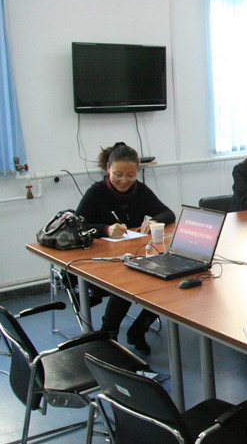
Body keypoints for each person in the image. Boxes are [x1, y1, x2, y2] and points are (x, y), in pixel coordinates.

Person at [76, 142, 176, 354]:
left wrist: (154, 220)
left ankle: (139, 329)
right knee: (126, 282)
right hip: (101, 260)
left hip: (133, 253)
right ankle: (108, 333)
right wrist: (105, 229)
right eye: (118, 175)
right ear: (108, 169)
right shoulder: (96, 192)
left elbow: (168, 213)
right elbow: (78, 224)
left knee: (166, 280)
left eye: (130, 175)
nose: (124, 181)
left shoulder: (140, 190)